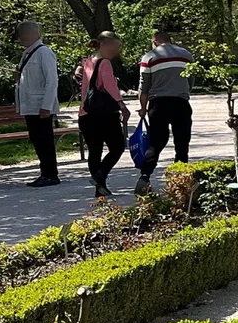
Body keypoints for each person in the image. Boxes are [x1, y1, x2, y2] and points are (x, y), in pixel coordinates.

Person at [135, 28, 193, 195]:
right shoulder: (186, 55)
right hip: (181, 103)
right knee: (182, 142)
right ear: (171, 40)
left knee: (156, 142)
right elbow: (191, 79)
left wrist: (143, 108)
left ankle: (145, 176)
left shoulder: (149, 57)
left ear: (155, 42)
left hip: (158, 104)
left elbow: (143, 87)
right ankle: (181, 180)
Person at [78, 31, 129, 198]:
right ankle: (100, 177)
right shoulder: (104, 62)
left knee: (95, 150)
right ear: (104, 45)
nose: (116, 51)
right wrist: (122, 105)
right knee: (117, 147)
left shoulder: (87, 62)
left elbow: (85, 89)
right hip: (104, 114)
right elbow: (109, 86)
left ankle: (100, 187)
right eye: (115, 46)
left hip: (86, 113)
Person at [14, 20, 62, 187]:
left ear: (32, 34)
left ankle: (51, 174)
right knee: (37, 140)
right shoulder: (28, 53)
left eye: (23, 33)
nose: (20, 38)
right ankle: (45, 173)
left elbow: (52, 81)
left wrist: (46, 106)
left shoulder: (44, 53)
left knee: (45, 140)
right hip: (30, 106)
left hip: (40, 106)